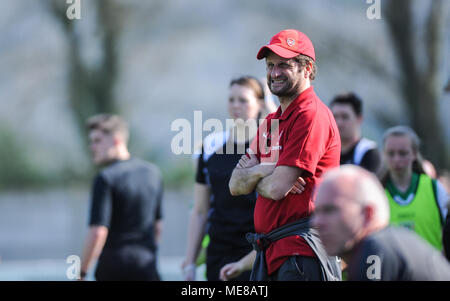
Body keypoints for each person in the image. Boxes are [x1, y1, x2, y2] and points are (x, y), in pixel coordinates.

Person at [226, 29, 342, 281]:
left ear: (308, 68)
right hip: (273, 254)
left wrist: (259, 176)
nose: (274, 73)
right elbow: (235, 184)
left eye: (284, 65)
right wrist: (264, 169)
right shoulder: (271, 121)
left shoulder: (310, 115)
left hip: (302, 254)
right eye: (270, 65)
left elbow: (278, 188)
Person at [181, 76, 276, 281]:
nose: (235, 106)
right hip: (219, 248)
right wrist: (190, 261)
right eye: (231, 99)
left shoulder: (269, 146)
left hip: (257, 249)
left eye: (243, 100)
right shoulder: (211, 146)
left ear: (259, 103)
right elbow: (199, 210)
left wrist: (270, 104)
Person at [312, 165, 450, 280]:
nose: (316, 222)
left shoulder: (374, 250)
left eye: (330, 210)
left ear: (367, 214)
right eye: (316, 212)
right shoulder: (387, 241)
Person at [80, 114, 163, 281]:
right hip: (146, 266)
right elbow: (157, 227)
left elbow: (98, 232)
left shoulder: (105, 178)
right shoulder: (153, 173)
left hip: (113, 269)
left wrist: (81, 273)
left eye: (97, 140)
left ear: (116, 140)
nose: (92, 147)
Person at [379, 126, 448, 251]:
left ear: (415, 154)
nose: (396, 159)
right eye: (391, 153)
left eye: (403, 153)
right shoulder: (377, 193)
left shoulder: (434, 188)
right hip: (392, 270)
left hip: (432, 268)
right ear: (383, 154)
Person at [330, 92, 381, 173]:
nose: (339, 122)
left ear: (359, 119)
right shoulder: (326, 151)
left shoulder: (368, 152)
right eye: (335, 116)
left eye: (345, 117)